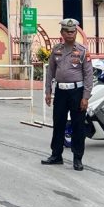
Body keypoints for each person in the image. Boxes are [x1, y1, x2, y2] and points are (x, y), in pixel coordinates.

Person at [42, 18, 93, 170]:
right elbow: (50, 71)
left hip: (77, 92)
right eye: (67, 31)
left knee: (78, 125)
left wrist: (85, 97)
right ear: (62, 33)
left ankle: (78, 159)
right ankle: (56, 155)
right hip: (61, 92)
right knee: (58, 123)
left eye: (73, 31)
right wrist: (48, 91)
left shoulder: (83, 51)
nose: (70, 34)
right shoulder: (56, 50)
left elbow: (88, 75)